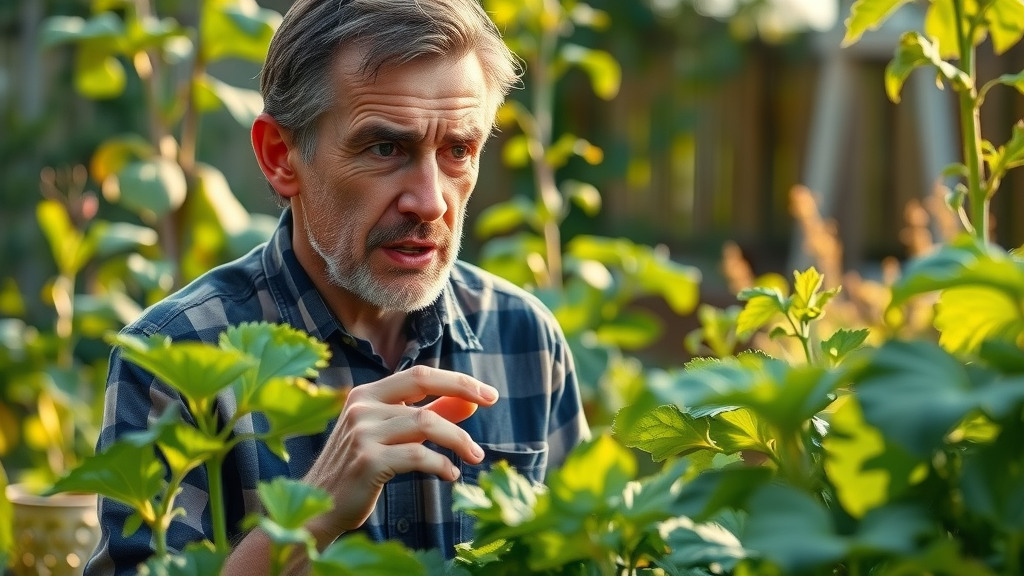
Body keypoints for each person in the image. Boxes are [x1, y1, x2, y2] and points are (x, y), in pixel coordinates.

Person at [84, 0, 589, 574]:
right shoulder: (176, 358)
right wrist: (310, 516)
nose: (429, 200)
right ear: (281, 156)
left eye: (457, 151)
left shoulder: (525, 339)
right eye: (385, 148)